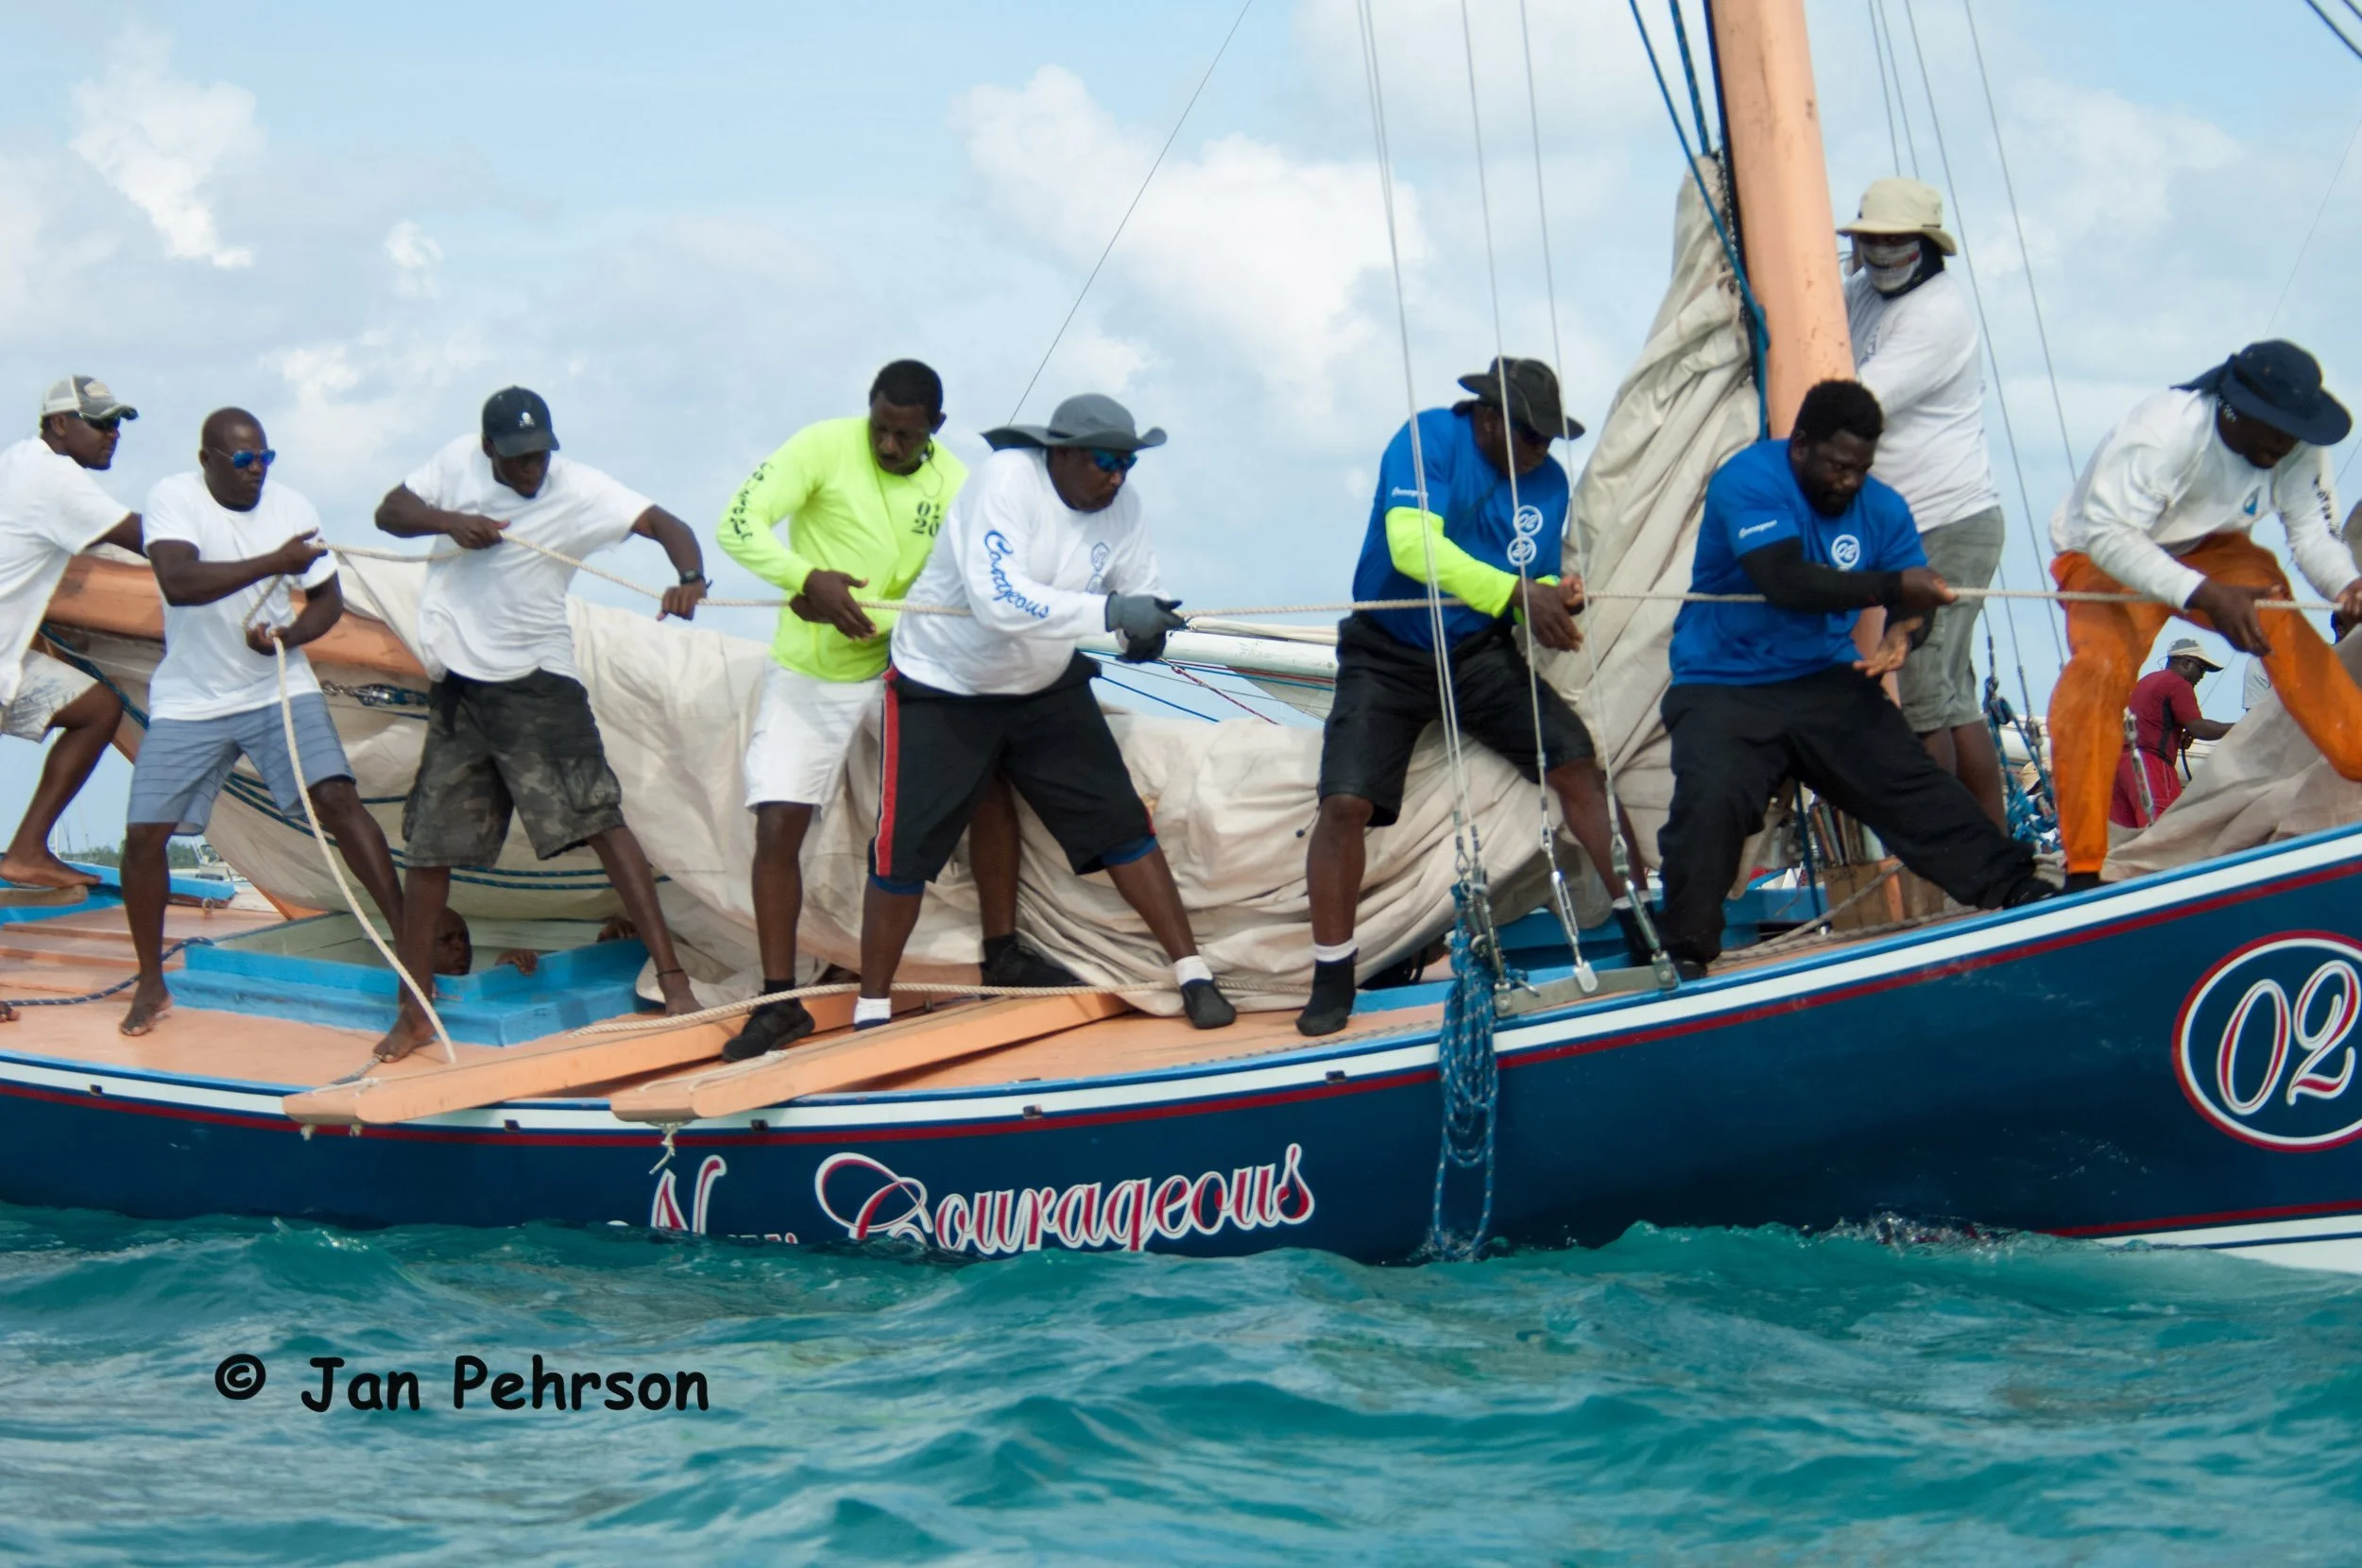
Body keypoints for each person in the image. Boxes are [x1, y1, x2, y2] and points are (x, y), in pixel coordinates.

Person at [714, 360, 1072, 1063]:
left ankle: (1002, 951)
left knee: (985, 783)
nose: (887, 445)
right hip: (814, 668)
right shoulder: (821, 445)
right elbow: (737, 525)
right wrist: (805, 579)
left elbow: (985, 579)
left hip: (908, 666)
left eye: (905, 436)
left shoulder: (958, 483)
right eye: (880, 428)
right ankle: (779, 1001)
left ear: (936, 427)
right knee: (778, 821)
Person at [857, 392, 1235, 1030]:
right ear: (1060, 455)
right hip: (945, 683)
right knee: (905, 851)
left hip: (1042, 681)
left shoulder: (1123, 506)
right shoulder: (1006, 480)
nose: (1118, 475)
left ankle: (1193, 974)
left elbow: (1138, 588)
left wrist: (1142, 630)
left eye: (1129, 462)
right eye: (1106, 460)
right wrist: (1112, 613)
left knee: (1121, 824)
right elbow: (999, 602)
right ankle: (871, 1007)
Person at [1297, 357, 1644, 1037]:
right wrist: (1517, 593)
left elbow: (1534, 577)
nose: (1542, 451)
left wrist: (1554, 597)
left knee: (1576, 760)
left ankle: (1643, 922)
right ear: (1488, 418)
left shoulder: (1548, 483)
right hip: (1386, 650)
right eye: (1532, 435)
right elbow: (1411, 548)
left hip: (1475, 652)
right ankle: (1332, 974)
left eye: (1550, 438)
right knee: (1344, 802)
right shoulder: (1427, 439)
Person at [1658, 379, 2055, 970]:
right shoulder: (1749, 479)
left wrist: (1903, 631)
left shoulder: (1884, 508)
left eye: (1861, 469)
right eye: (1838, 466)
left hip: (1823, 675)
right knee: (1713, 800)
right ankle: (1685, 953)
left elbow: (1915, 599)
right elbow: (1783, 580)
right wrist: (1892, 587)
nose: (1849, 481)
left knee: (1909, 783)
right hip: (1722, 680)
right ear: (1801, 446)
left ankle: (2015, 887)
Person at [368, 387, 710, 1061]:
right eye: (518, 458)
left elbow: (664, 523)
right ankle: (414, 1008)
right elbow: (390, 513)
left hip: (539, 681)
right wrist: (452, 522)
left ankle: (675, 985)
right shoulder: (455, 463)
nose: (532, 470)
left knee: (603, 822)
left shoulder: (579, 488)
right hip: (461, 687)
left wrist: (691, 577)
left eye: (540, 456)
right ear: (488, 448)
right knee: (430, 848)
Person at [118, 409, 410, 1035]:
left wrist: (291, 635)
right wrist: (274, 561)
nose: (258, 471)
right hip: (191, 699)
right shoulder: (174, 497)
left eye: (266, 458)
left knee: (338, 799)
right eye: (244, 460)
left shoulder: (292, 507)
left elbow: (327, 599)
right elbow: (178, 581)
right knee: (144, 836)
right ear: (207, 460)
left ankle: (411, 955)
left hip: (275, 685)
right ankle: (150, 983)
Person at [2047, 340, 2362, 890]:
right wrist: (2203, 593)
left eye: (2295, 432)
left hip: (2211, 545)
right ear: (2234, 411)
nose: (2285, 444)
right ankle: (2085, 868)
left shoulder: (2294, 445)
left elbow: (2311, 533)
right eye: (2277, 431)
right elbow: (2109, 535)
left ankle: (2356, 754)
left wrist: (2347, 584)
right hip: (2106, 552)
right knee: (2098, 674)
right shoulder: (2160, 434)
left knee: (2280, 619)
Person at [1840, 179, 2010, 826]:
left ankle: (1943, 854)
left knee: (1918, 696)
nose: (1881, 252)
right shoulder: (1863, 291)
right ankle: (1991, 849)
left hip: (1949, 523)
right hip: (1905, 527)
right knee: (1952, 698)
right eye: (1871, 239)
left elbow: (1858, 405)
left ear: (1926, 246)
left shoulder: (1938, 314)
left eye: (1896, 240)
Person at [0, 377, 145, 890]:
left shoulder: (17, 460)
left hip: (8, 658)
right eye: (101, 423)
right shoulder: (55, 478)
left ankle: (27, 853)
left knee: (96, 708)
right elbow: (146, 538)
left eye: (118, 424)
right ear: (59, 424)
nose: (113, 435)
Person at [2112, 638, 2232, 832]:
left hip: (2119, 767)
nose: (2202, 676)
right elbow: (2199, 728)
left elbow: (2147, 722)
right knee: (2166, 830)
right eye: (2201, 668)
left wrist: (2175, 734)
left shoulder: (2145, 682)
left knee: (2127, 837)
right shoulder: (2178, 684)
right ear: (2186, 662)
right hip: (2150, 764)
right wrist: (2241, 726)